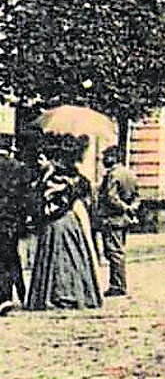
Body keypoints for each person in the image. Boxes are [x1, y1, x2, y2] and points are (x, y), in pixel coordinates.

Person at [25, 134, 103, 311]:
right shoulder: (71, 176)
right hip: (68, 222)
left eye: (42, 158)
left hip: (58, 222)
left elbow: (54, 203)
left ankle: (62, 295)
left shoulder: (56, 179)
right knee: (71, 258)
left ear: (51, 159)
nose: (39, 162)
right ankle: (72, 292)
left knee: (60, 259)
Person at [94, 145, 139, 297]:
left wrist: (125, 207)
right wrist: (131, 207)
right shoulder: (130, 174)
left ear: (113, 158)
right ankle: (118, 283)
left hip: (112, 219)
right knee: (118, 251)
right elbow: (137, 196)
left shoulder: (113, 175)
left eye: (105, 157)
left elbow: (111, 197)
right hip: (124, 220)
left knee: (114, 252)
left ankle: (117, 285)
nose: (103, 161)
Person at [0, 148, 30, 315]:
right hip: (11, 221)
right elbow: (25, 197)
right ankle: (21, 293)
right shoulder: (19, 167)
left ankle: (4, 297)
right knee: (11, 257)